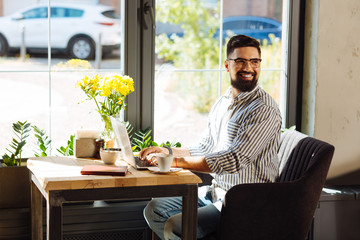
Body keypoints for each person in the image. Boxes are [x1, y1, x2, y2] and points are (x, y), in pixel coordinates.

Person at [139, 34, 282, 240]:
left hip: (245, 203)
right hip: (215, 193)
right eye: (240, 61)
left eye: (254, 61)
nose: (248, 68)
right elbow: (205, 147)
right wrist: (166, 152)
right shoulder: (223, 102)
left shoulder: (263, 109)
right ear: (227, 65)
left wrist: (176, 162)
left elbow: (234, 160)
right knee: (154, 209)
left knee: (175, 226)